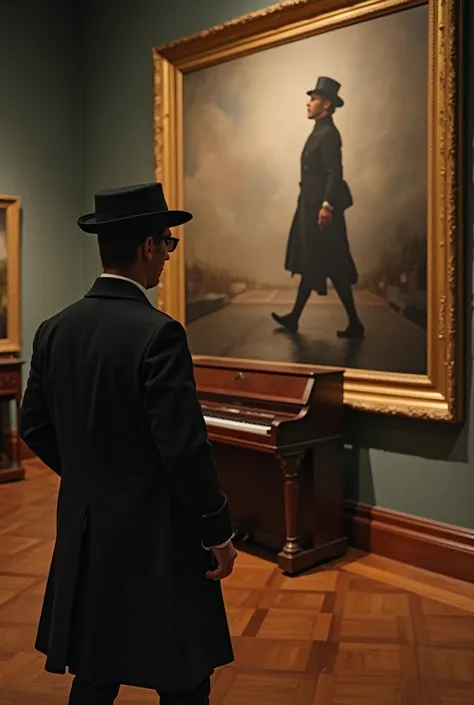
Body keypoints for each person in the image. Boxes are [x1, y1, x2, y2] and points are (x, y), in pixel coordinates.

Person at [19, 182, 237, 705]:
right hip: (158, 535)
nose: (167, 255)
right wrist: (217, 531)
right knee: (183, 677)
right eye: (167, 242)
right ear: (147, 246)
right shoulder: (159, 334)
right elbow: (183, 449)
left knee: (94, 670)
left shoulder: (55, 329)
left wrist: (91, 474)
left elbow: (34, 427)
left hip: (88, 529)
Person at [272, 76, 364, 339]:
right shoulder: (319, 131)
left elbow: (335, 173)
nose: (308, 103)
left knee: (328, 264)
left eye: (312, 99)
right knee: (318, 262)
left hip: (322, 212)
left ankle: (351, 323)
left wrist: (326, 206)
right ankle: (298, 318)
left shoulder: (329, 134)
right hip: (311, 208)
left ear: (326, 104)